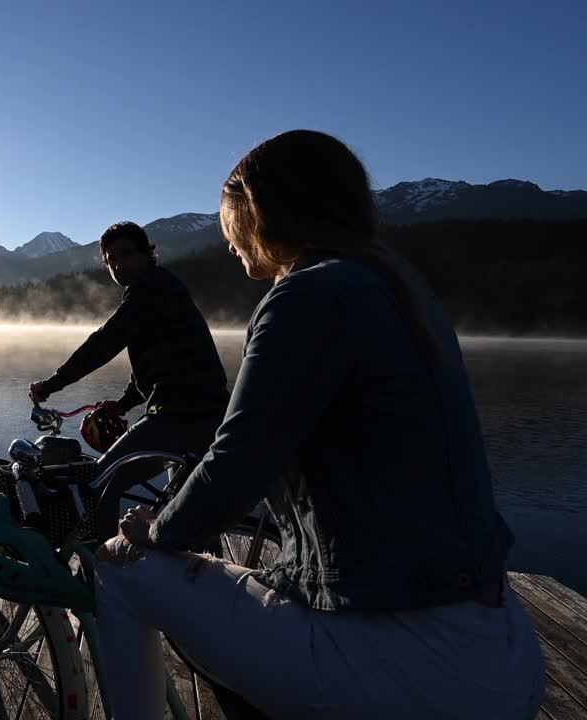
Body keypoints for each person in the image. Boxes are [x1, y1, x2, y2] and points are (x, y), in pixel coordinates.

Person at [93, 131, 545, 719]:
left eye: (230, 218)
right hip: (500, 647)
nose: (227, 239)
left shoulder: (305, 298)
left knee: (119, 570)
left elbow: (237, 463)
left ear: (261, 212)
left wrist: (157, 528)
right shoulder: (401, 287)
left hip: (407, 661)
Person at [28, 221, 230, 470]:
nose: (118, 264)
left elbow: (103, 344)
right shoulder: (161, 285)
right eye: (111, 259)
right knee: (179, 502)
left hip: (180, 415)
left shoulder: (150, 290)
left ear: (147, 254)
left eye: (127, 254)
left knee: (102, 479)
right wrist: (123, 404)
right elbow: (158, 361)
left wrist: (49, 386)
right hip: (207, 411)